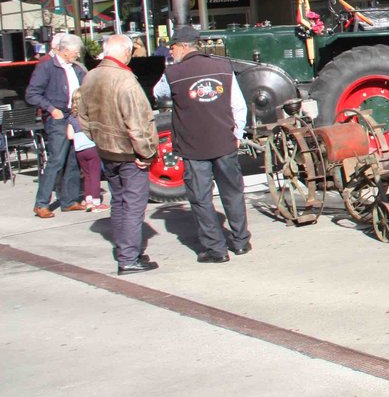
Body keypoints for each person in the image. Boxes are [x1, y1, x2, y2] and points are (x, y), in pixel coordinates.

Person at [153, 25, 252, 263]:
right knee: (232, 192)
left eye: (173, 47)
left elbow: (158, 94)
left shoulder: (173, 74)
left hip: (193, 145)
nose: (171, 52)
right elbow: (238, 105)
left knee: (200, 198)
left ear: (183, 46)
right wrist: (236, 133)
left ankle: (216, 250)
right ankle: (241, 241)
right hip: (224, 141)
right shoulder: (223, 67)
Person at [75, 35, 160, 275]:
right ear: (126, 52)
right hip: (127, 152)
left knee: (119, 201)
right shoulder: (125, 80)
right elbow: (138, 122)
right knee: (133, 205)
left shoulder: (91, 75)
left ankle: (126, 250)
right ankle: (128, 258)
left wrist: (97, 138)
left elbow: (83, 116)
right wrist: (145, 153)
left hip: (107, 150)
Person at [24, 33, 87, 218]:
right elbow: (32, 93)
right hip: (57, 116)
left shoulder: (75, 68)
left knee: (73, 159)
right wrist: (50, 109)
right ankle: (41, 203)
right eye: (75, 52)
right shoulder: (47, 67)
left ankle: (69, 200)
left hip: (73, 116)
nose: (77, 55)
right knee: (56, 160)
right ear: (65, 50)